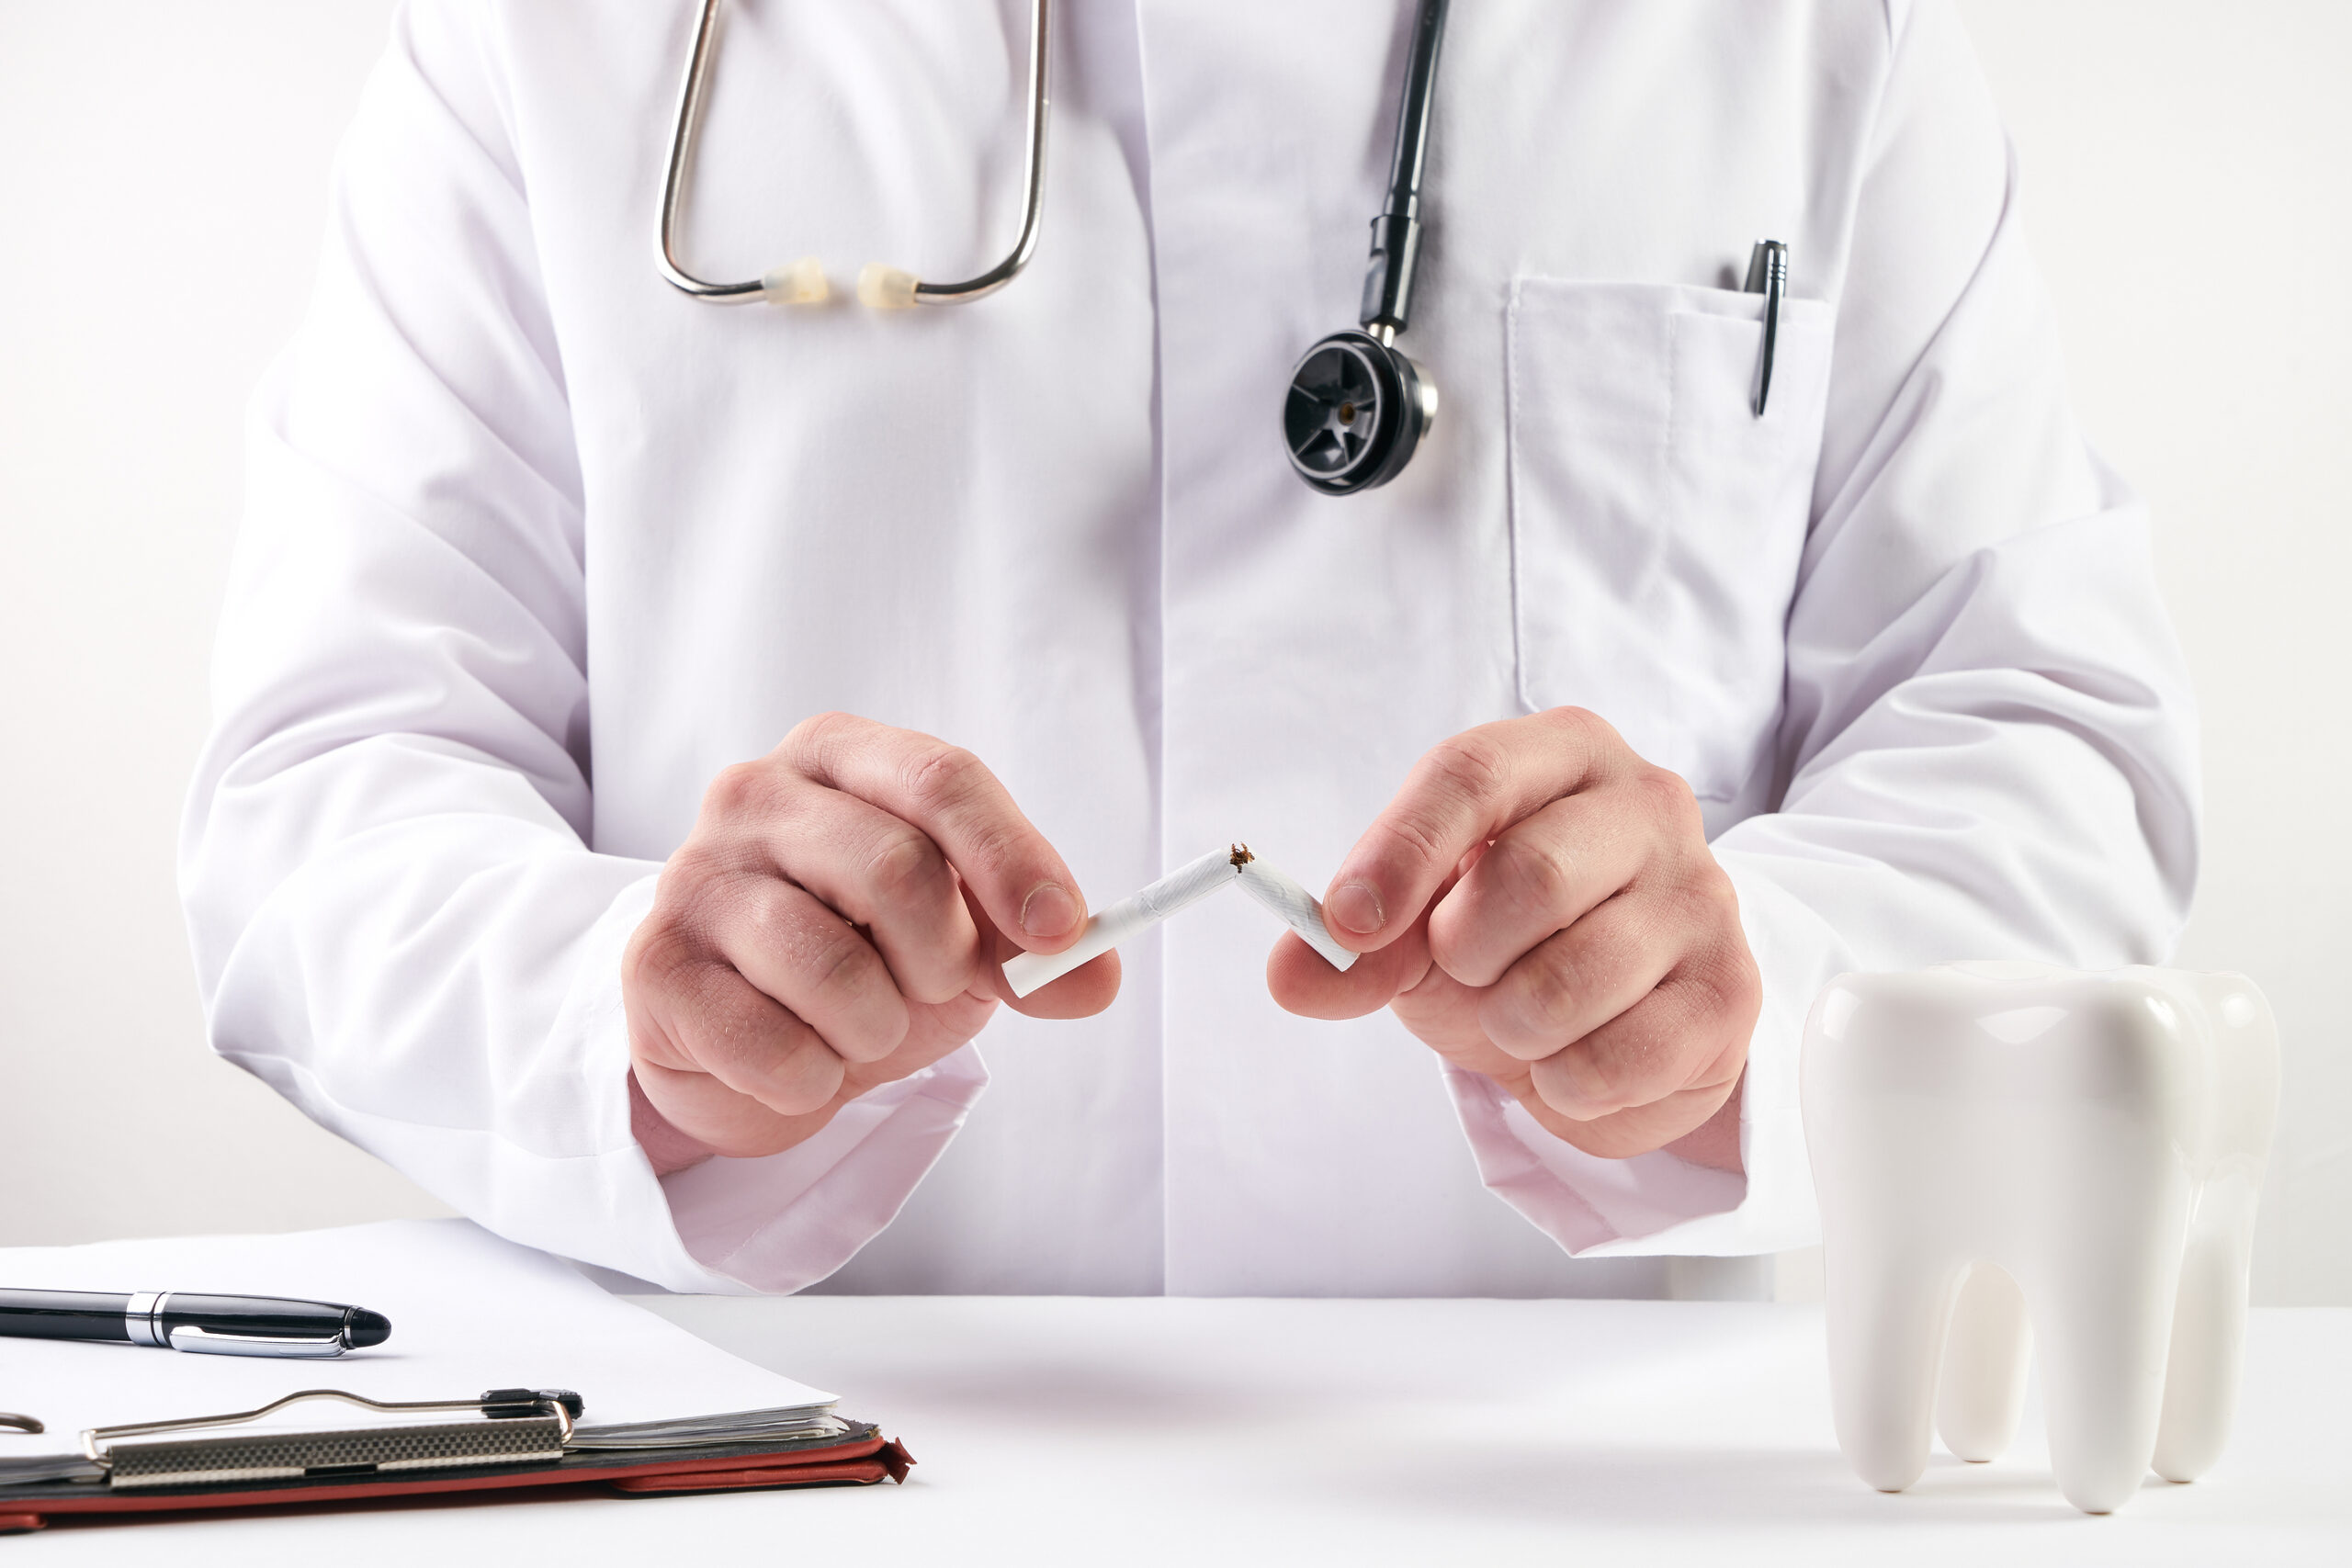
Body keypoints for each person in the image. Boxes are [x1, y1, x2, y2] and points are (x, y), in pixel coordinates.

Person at [179, 0, 2196, 1296]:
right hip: (798, 1459)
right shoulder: (547, 43)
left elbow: (2038, 749)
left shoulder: (1805, 37)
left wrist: (1755, 994)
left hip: (1589, 1479)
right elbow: (323, 791)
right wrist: (625, 1009)